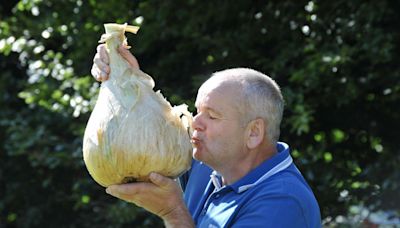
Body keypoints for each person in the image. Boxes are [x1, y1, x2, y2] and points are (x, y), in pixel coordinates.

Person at [91, 44, 322, 228]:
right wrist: (123, 73)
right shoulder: (208, 162)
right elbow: (145, 141)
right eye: (197, 111)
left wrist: (173, 214)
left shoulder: (283, 203)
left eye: (211, 116)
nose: (195, 123)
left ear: (253, 133)